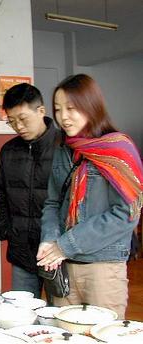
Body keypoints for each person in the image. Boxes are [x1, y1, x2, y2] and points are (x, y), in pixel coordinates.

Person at [37, 74, 143, 318]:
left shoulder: (118, 150)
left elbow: (127, 214)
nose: (63, 117)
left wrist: (66, 245)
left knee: (102, 335)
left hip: (102, 268)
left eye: (71, 108)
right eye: (58, 109)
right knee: (65, 333)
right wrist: (49, 239)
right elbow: (53, 203)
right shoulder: (64, 150)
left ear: (90, 106)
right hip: (62, 267)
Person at [0, 83, 60, 299]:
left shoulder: (65, 146)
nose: (18, 126)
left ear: (41, 111)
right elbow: (2, 193)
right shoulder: (9, 151)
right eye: (12, 122)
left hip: (56, 252)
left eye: (23, 119)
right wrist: (4, 227)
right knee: (21, 314)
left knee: (57, 316)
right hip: (21, 249)